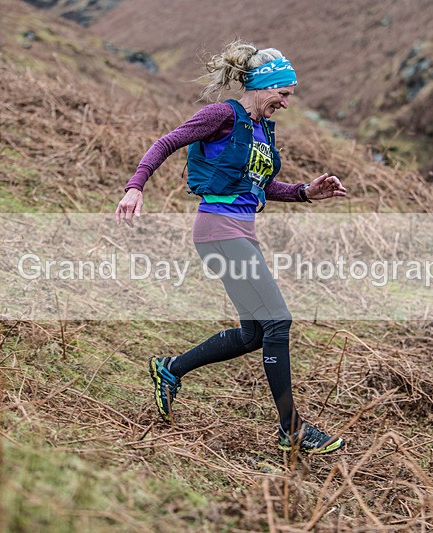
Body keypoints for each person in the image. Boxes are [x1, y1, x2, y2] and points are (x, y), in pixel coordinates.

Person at [116, 40, 347, 454]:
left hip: (242, 231)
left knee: (254, 333)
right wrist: (136, 187)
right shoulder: (222, 114)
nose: (287, 103)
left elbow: (257, 185)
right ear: (263, 85)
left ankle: (171, 369)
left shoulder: (259, 129)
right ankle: (291, 429)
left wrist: (305, 192)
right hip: (219, 231)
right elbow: (167, 142)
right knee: (279, 321)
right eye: (284, 93)